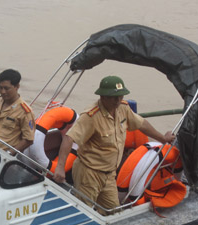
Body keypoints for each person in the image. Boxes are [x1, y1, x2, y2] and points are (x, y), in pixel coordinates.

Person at [53, 76, 175, 213]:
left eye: (120, 96)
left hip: (109, 174)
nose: (117, 100)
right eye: (113, 97)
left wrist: (163, 139)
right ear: (102, 97)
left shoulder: (123, 108)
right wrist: (60, 167)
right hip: (88, 173)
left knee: (113, 211)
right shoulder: (90, 116)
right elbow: (69, 138)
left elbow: (142, 124)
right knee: (83, 212)